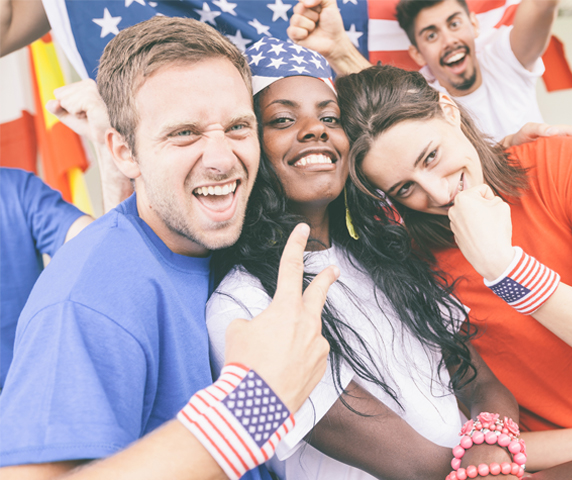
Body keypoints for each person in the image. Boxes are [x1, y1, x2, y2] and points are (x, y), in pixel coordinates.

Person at [205, 39, 572, 480]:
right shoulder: (240, 305)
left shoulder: (383, 256)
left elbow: (479, 380)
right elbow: (411, 462)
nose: (314, 132)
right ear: (249, 148)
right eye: (282, 120)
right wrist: (522, 447)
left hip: (512, 453)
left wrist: (492, 438)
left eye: (329, 118)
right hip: (462, 468)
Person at [335, 64, 572, 479]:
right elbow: (468, 438)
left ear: (448, 109)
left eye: (432, 156)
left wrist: (507, 270)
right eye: (404, 189)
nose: (439, 193)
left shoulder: (561, 161)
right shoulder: (407, 263)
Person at [0, 16, 337, 480]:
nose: (222, 159)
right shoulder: (87, 297)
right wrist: (259, 402)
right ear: (125, 153)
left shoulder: (231, 230)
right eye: (185, 133)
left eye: (239, 127)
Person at [288, 0, 558, 140]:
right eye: (431, 35)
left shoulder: (504, 60)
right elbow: (386, 98)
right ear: (417, 53)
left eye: (454, 24)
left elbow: (541, 5)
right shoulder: (422, 100)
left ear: (474, 25)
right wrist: (337, 49)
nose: (448, 40)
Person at [0, 167, 92, 389]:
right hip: (33, 393)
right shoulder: (15, 187)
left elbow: (93, 246)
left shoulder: (15, 188)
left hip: (33, 392)